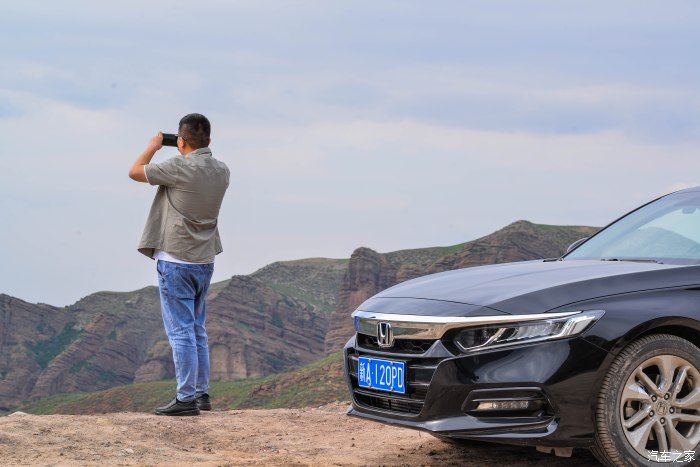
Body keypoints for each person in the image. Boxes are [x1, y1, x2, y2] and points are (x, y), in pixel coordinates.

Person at [128, 113, 229, 416]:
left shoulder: (177, 166)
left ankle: (185, 398)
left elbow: (134, 171)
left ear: (180, 140)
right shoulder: (222, 170)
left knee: (181, 331)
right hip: (204, 259)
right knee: (197, 329)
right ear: (209, 140)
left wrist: (154, 145)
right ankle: (201, 395)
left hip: (176, 260)